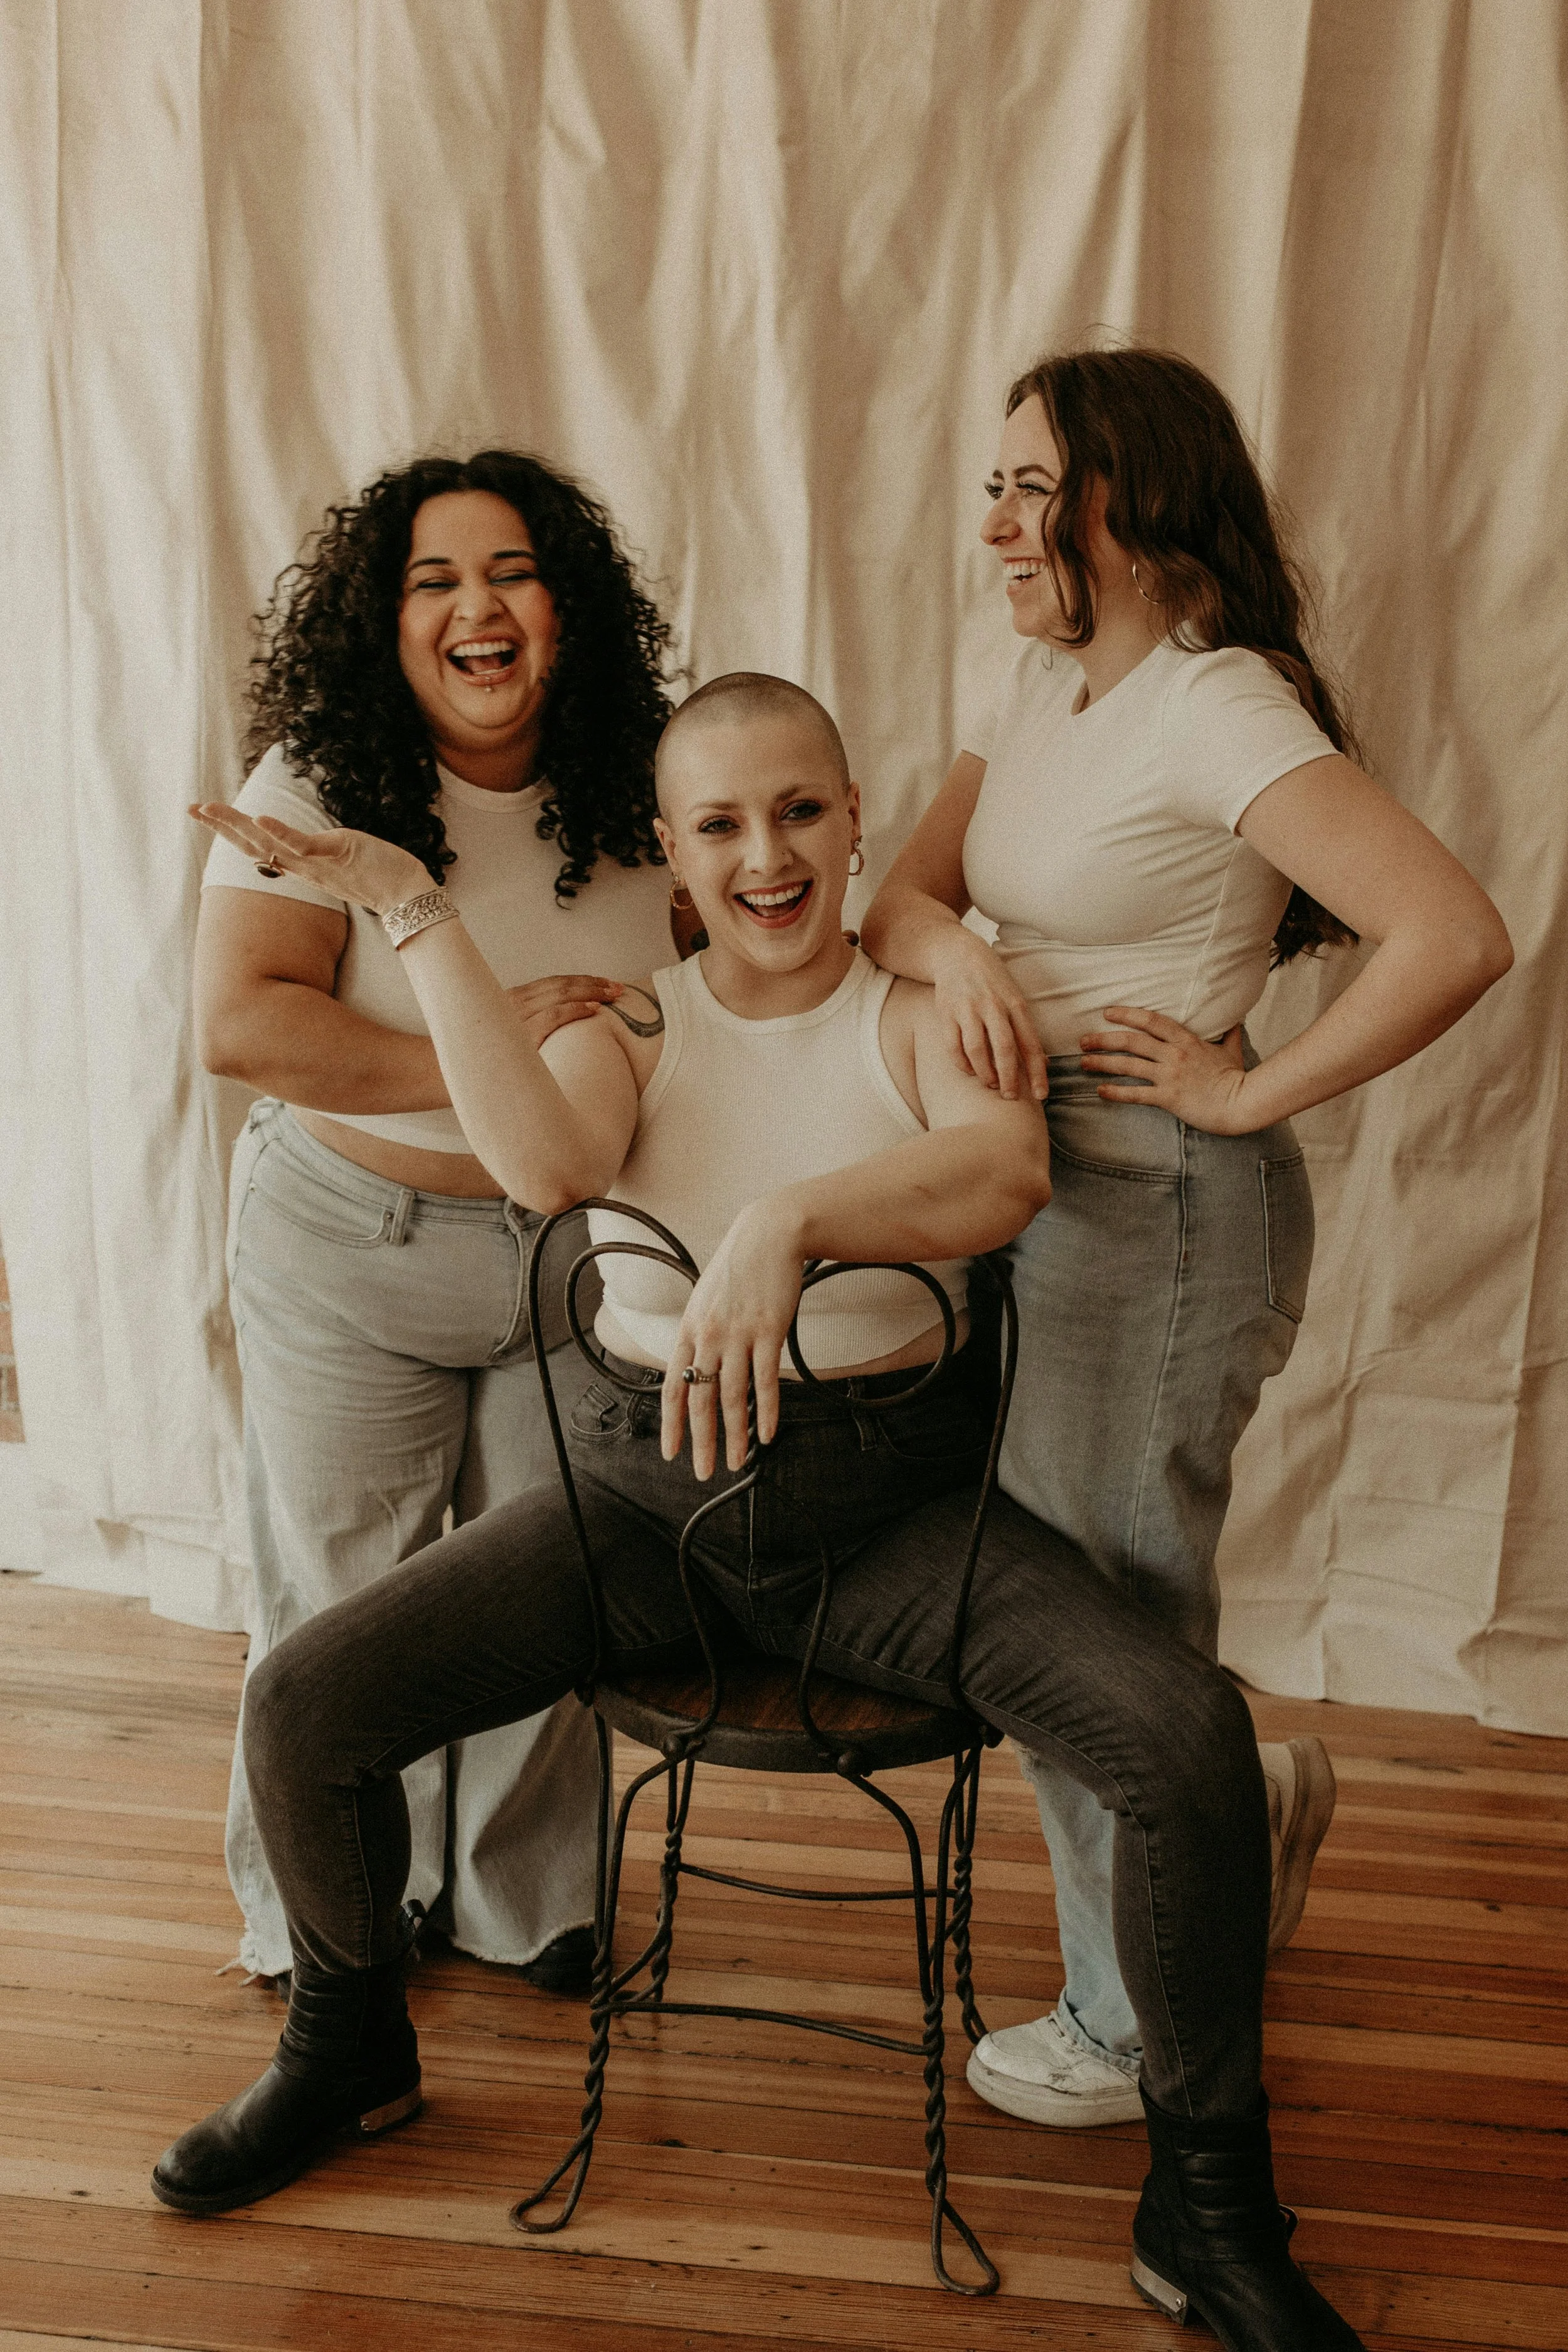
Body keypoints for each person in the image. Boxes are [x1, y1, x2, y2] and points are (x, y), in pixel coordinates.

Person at [161, 675, 1367, 2349]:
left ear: (855, 818)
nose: (765, 856)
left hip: (887, 1521)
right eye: (719, 824)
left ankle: (1210, 2211)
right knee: (306, 1703)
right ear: (669, 850)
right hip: (641, 1505)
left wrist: (784, 1222)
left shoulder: (922, 1013)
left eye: (798, 812)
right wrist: (414, 909)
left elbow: (1003, 1171)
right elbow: (542, 1166)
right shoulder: (633, 1024)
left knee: (1184, 1737)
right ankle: (346, 2047)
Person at [861, 347, 1514, 2129]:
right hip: (1019, 1173)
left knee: (1104, 1620)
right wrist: (965, 953)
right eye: (993, 486)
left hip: (1149, 1204)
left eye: (1030, 488)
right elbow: (898, 897)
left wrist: (1242, 1090)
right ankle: (1244, 1817)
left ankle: (1130, 2023)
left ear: (1133, 504)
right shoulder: (1044, 683)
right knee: (1062, 1600)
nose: (996, 524)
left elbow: (1451, 933)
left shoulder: (1216, 701)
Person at [196, 450, 691, 1993]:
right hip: (355, 1247)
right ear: (384, 620)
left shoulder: (646, 774)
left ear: (566, 607)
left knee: (541, 1594)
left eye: (511, 573)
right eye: (434, 581)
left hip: (573, 1262)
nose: (477, 607)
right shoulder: (318, 784)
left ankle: (522, 1903)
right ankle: (328, 1924)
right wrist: (490, 1046)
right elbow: (243, 1025)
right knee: (342, 1598)